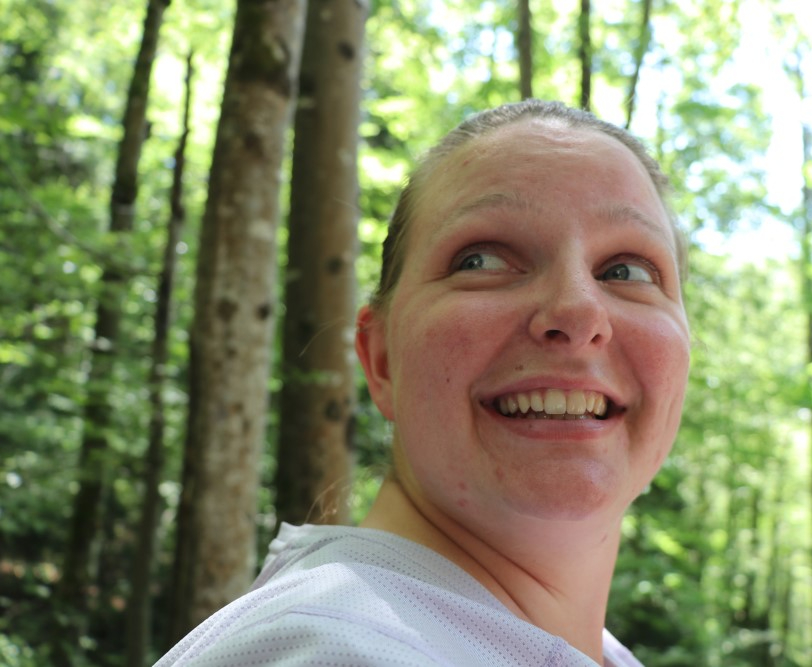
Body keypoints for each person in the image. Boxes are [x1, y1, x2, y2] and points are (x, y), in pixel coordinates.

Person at [155, 99, 690, 667]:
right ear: (381, 359)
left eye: (627, 271)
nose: (577, 312)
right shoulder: (336, 648)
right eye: (481, 261)